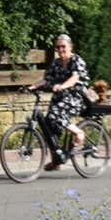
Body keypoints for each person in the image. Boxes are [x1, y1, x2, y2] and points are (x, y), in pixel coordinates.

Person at [27, 34, 90, 171]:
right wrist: (31, 87)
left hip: (76, 97)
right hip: (60, 97)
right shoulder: (56, 63)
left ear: (70, 47)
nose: (60, 49)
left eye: (63, 46)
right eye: (58, 47)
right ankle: (56, 161)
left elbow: (74, 78)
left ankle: (79, 132)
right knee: (49, 126)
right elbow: (46, 80)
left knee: (56, 115)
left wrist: (63, 86)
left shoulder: (77, 60)